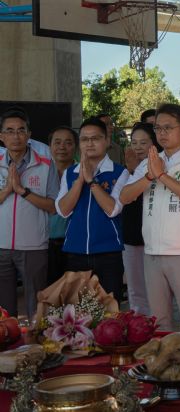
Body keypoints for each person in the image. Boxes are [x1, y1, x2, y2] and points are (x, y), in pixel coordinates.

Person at [120, 104, 180, 332]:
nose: (162, 133)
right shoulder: (149, 161)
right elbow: (124, 196)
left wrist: (161, 174)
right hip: (152, 252)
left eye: (168, 127)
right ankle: (162, 365)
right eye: (158, 128)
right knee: (159, 321)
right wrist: (150, 175)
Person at [56, 117, 130, 302]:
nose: (89, 143)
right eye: (84, 139)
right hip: (76, 252)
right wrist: (80, 180)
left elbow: (113, 209)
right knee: (77, 310)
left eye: (95, 138)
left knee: (109, 311)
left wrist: (91, 181)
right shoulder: (70, 173)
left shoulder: (120, 172)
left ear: (106, 141)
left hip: (108, 253)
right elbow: (63, 210)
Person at [0, 109, 59, 318]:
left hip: (34, 246)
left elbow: (53, 206)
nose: (15, 136)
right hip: (1, 246)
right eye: (9, 131)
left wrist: (23, 192)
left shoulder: (45, 163)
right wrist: (7, 190)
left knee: (36, 308)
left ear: (29, 134)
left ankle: (35, 348)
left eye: (20, 131)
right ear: (1, 136)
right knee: (4, 311)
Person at [121, 123, 161, 315]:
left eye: (143, 142)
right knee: (135, 288)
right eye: (134, 142)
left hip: (154, 236)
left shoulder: (160, 165)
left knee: (155, 289)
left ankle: (157, 325)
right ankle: (138, 324)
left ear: (153, 143)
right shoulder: (127, 169)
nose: (137, 147)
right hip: (131, 233)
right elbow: (123, 197)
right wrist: (130, 170)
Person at [47, 126, 78, 286]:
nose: (62, 147)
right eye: (57, 142)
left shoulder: (83, 173)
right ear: (50, 146)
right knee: (48, 297)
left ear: (76, 146)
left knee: (74, 297)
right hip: (44, 245)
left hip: (74, 246)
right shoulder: (40, 172)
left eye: (68, 143)